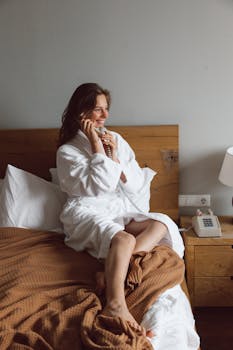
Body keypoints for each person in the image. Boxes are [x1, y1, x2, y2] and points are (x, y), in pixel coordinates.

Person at [56, 83, 184, 335]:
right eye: (97, 110)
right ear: (80, 114)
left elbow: (135, 185)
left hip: (118, 207)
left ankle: (110, 271)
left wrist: (114, 157)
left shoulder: (116, 140)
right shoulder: (67, 152)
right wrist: (95, 146)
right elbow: (98, 187)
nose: (104, 116)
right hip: (87, 211)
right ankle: (115, 305)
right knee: (124, 239)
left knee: (161, 224)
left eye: (106, 109)